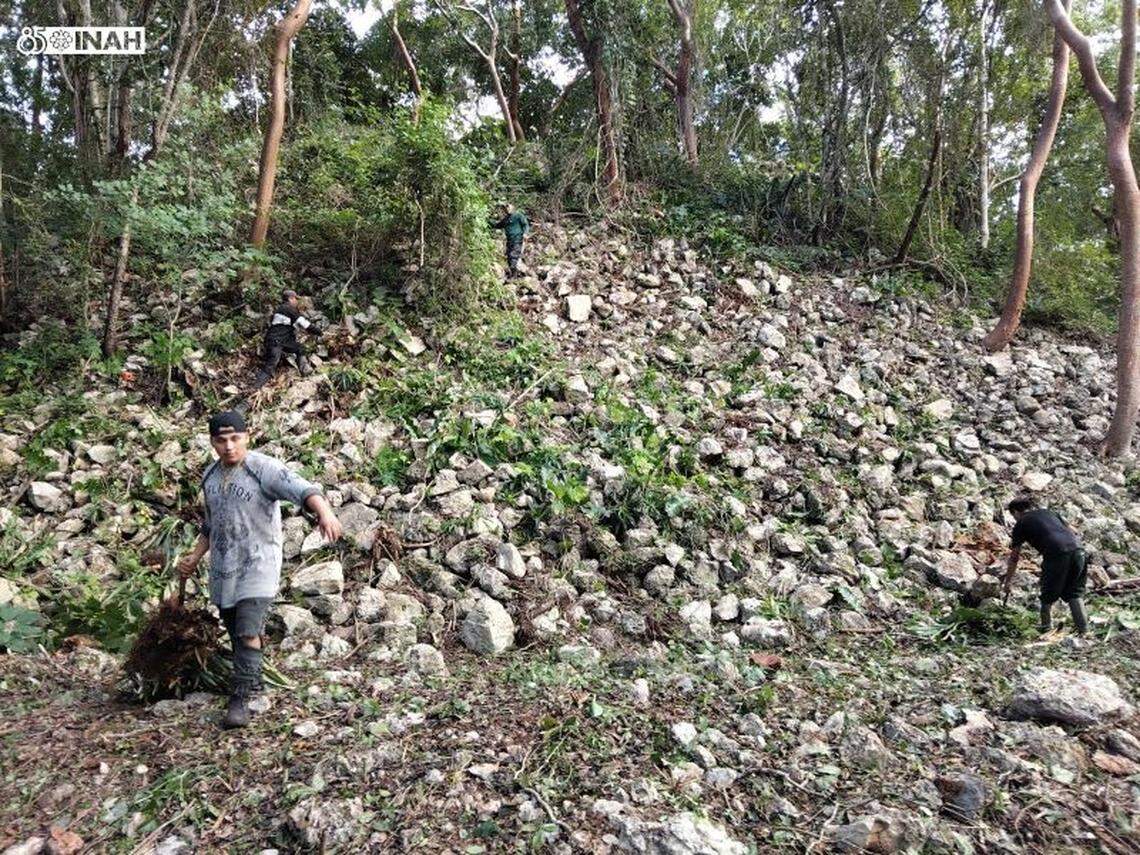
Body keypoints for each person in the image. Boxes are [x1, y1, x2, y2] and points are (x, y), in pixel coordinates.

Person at [177, 411, 343, 728]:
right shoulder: (210, 477)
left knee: (248, 628)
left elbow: (303, 489)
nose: (229, 446)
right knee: (235, 629)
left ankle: (240, 700)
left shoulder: (262, 468)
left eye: (235, 438)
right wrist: (195, 557)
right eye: (221, 440)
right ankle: (253, 679)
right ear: (212, 443)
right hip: (225, 567)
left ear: (247, 436)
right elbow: (210, 525)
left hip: (259, 564)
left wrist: (325, 513)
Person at [1001, 497, 1088, 635]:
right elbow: (1073, 531)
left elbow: (1014, 557)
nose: (1015, 519)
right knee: (1074, 593)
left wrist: (1008, 581)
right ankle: (1084, 632)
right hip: (1079, 550)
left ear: (1016, 512)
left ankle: (1046, 629)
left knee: (1047, 594)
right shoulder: (1049, 512)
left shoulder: (1021, 523)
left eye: (1013, 516)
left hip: (1057, 553)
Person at [252, 289, 314, 389]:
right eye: (295, 299)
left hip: (280, 341)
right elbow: (304, 323)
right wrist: (319, 332)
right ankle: (255, 387)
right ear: (291, 299)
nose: (296, 302)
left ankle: (305, 370)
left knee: (299, 348)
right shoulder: (288, 309)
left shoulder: (280, 310)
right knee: (272, 363)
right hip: (276, 341)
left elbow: (287, 326)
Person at [490, 202, 529, 279]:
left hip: (517, 239)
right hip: (509, 241)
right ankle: (514, 273)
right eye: (505, 208)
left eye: (508, 207)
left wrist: (525, 233)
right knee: (508, 257)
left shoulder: (518, 215)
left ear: (513, 207)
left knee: (513, 256)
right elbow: (497, 225)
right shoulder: (506, 219)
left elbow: (525, 224)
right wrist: (488, 221)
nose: (507, 209)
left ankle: (514, 276)